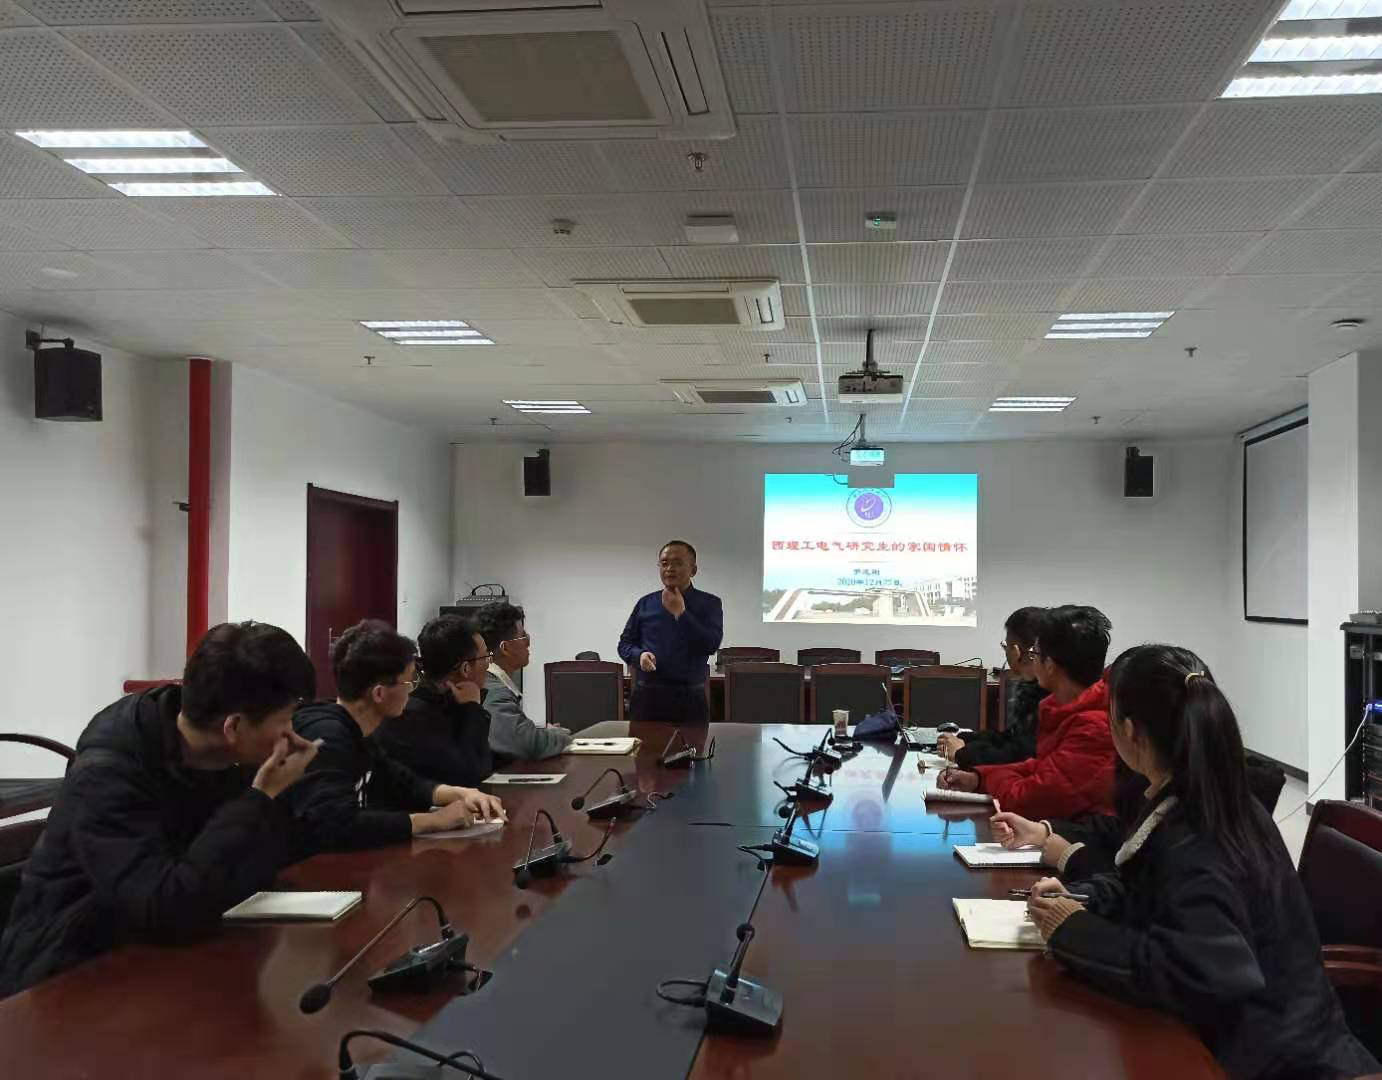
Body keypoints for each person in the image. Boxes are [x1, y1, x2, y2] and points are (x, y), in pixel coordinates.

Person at [1026, 646, 1378, 1080]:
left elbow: (1199, 972)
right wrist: (1082, 898)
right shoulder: (1205, 798)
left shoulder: (1197, 832)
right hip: (1264, 1036)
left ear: (1130, 732)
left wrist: (1073, 930)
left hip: (1274, 1061)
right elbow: (1152, 888)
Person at [0, 622, 320, 996]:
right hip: (65, 972)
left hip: (163, 953)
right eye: (285, 719)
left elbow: (262, 863)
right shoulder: (108, 774)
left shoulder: (226, 756)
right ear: (233, 726)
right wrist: (260, 798)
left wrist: (275, 797)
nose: (291, 733)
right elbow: (164, 905)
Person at [290, 620, 505, 851]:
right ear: (379, 693)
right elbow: (337, 825)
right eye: (409, 681)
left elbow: (402, 782)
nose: (412, 689)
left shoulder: (359, 732)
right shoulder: (328, 737)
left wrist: (461, 793)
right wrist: (433, 821)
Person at [934, 605, 1116, 821]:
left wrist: (979, 774)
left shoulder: (1094, 729)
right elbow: (1037, 767)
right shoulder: (1061, 707)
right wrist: (978, 779)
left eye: (1035, 653)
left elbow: (1031, 799)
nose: (1031, 658)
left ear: (1050, 665)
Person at [373, 615, 495, 787]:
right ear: (466, 668)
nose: (489, 664)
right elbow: (471, 775)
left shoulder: (446, 703)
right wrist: (472, 709)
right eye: (485, 657)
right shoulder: (413, 716)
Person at [617, 540, 723, 724]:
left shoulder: (709, 603)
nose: (670, 569)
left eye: (677, 563)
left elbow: (711, 645)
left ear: (693, 570)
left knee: (693, 743)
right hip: (647, 697)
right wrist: (639, 656)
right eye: (664, 563)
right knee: (643, 744)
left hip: (690, 697)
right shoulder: (645, 603)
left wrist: (681, 614)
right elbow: (625, 644)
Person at [937, 606, 1047, 768]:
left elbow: (1020, 756)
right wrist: (964, 739)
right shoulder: (1034, 688)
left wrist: (963, 753)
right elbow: (1011, 739)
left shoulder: (1048, 696)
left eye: (1005, 646)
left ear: (1015, 652)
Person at [476, 602, 572, 760]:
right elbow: (525, 744)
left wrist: (541, 732)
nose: (528, 642)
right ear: (505, 648)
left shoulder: (489, 682)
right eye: (523, 636)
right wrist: (558, 734)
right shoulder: (495, 691)